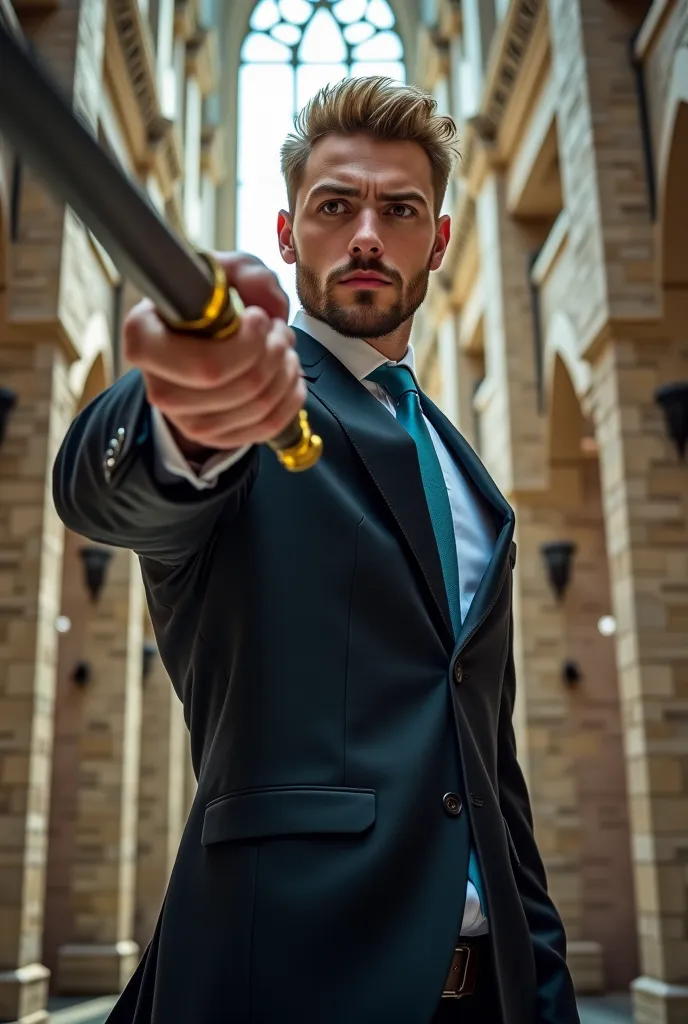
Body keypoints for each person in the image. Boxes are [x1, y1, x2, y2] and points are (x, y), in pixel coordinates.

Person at [53, 76, 580, 1024]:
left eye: (400, 208)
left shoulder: (470, 481)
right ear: (291, 233)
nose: (367, 234)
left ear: (440, 241)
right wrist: (180, 411)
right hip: (287, 977)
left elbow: (489, 771)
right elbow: (109, 491)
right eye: (336, 206)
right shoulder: (252, 404)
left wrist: (541, 976)